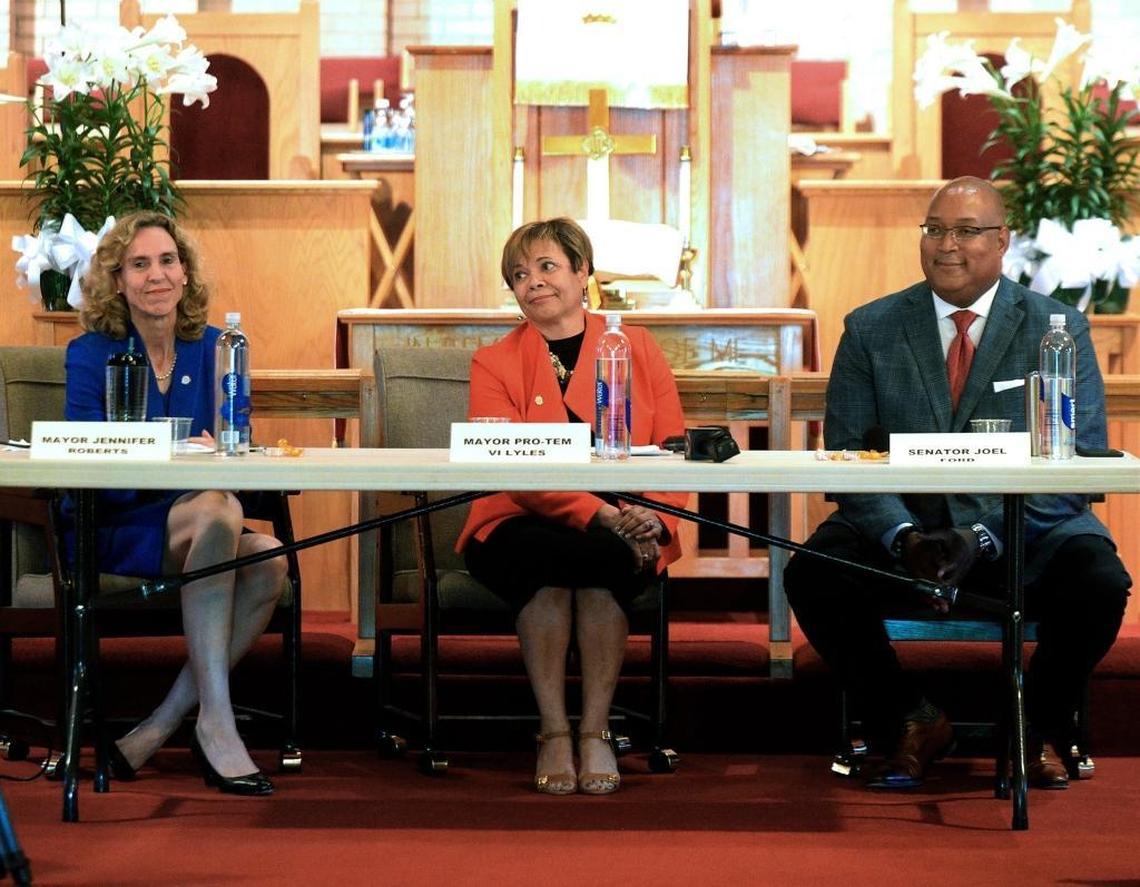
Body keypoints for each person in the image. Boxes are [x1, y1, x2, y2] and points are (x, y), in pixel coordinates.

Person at [784, 177, 1131, 790]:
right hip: (906, 528)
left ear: (1002, 241)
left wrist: (979, 535)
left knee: (1099, 579)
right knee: (813, 571)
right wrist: (900, 536)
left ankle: (1036, 727)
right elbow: (847, 455)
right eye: (935, 229)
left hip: (1020, 525)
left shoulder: (1057, 328)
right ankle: (908, 719)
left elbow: (1076, 465)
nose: (947, 245)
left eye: (967, 231)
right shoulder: (872, 327)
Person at [456, 218, 689, 796]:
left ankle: (594, 732)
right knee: (559, 563)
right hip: (515, 520)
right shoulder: (494, 362)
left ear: (583, 272)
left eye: (546, 267)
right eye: (518, 274)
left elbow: (673, 444)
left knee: (596, 568)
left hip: (628, 520)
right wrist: (605, 516)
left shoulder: (637, 346)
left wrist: (652, 517)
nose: (532, 282)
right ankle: (558, 731)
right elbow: (511, 464)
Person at [64, 211, 286, 796]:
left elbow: (235, 443)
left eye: (167, 261)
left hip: (199, 520)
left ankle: (161, 724)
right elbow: (89, 460)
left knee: (269, 558)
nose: (155, 276)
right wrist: (175, 451)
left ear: (185, 275)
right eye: (139, 265)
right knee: (218, 509)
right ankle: (215, 723)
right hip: (113, 522)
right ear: (118, 282)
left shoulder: (220, 347)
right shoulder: (89, 353)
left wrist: (213, 456)